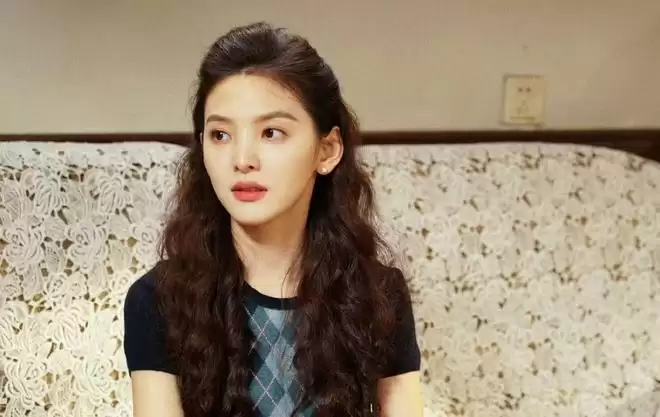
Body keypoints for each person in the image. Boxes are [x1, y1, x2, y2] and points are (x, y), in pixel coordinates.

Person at [123, 21, 423, 417]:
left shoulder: (379, 295)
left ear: (327, 150)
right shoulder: (157, 299)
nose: (242, 159)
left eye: (272, 133)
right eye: (220, 135)